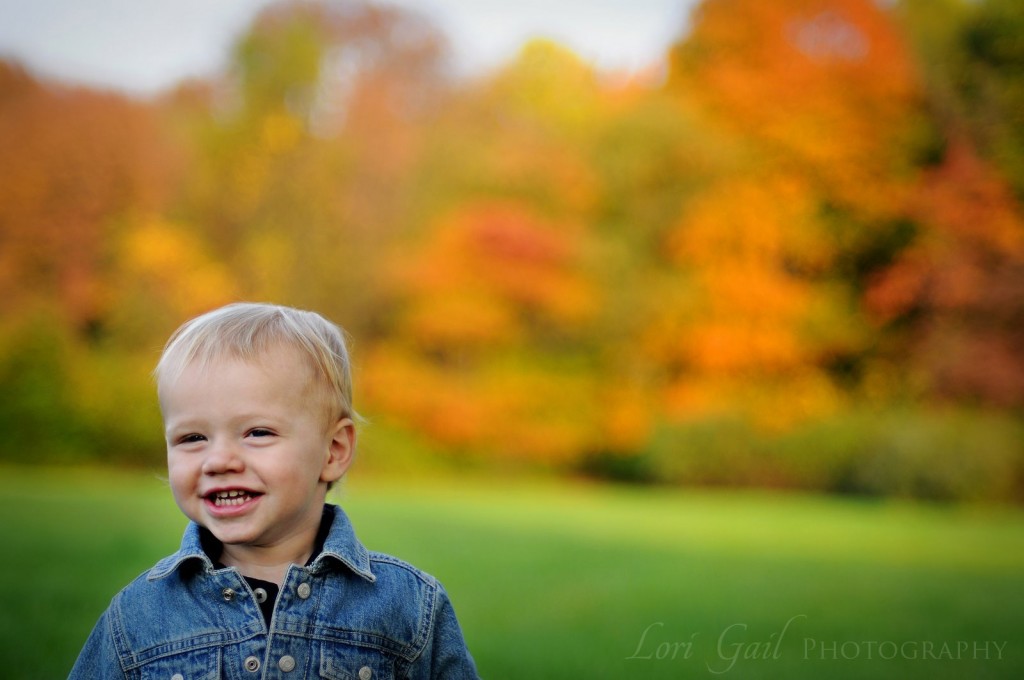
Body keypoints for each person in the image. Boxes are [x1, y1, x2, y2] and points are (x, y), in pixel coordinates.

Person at [70, 302, 479, 679]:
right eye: (193, 437)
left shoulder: (407, 606)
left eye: (257, 432)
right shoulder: (140, 614)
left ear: (333, 451)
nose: (219, 460)